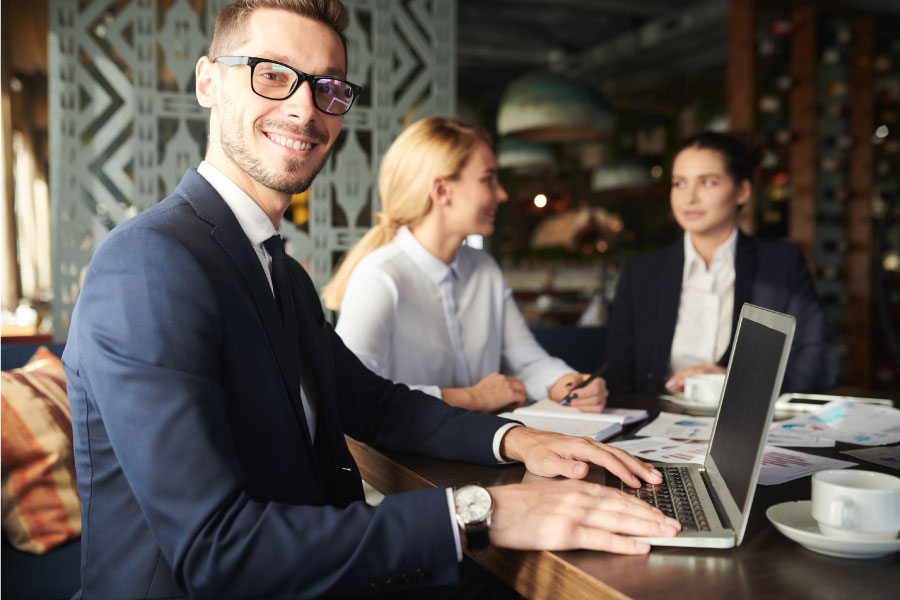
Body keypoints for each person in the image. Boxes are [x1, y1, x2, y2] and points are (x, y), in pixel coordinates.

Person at [62, 1, 680, 598]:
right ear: (208, 82)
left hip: (314, 570)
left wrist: (517, 440)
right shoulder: (149, 262)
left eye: (327, 87)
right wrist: (479, 508)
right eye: (273, 74)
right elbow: (215, 551)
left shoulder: (277, 267)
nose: (305, 109)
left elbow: (376, 405)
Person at [322, 116, 608, 414]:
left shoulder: (484, 269)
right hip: (401, 457)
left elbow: (527, 360)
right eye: (488, 179)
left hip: (478, 449)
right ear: (442, 191)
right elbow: (351, 393)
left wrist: (566, 383)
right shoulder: (380, 277)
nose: (503, 194)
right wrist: (472, 398)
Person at [604, 131, 840, 395]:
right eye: (679, 184)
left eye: (707, 183)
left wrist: (738, 381)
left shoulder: (781, 264)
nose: (689, 197)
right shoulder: (641, 273)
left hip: (745, 421)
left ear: (742, 191)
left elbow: (819, 361)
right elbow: (618, 372)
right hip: (655, 423)